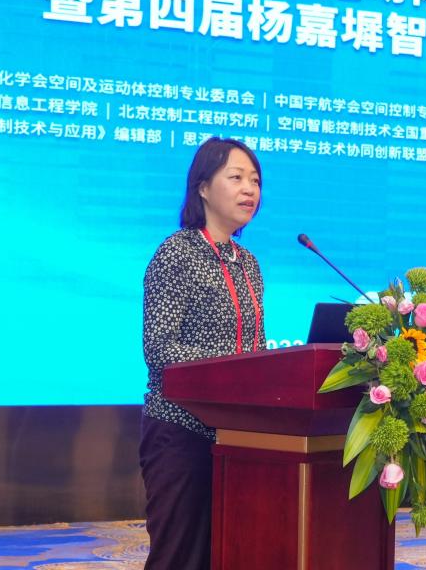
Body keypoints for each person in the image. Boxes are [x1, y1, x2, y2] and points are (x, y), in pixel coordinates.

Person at [139, 137, 266, 570]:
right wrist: (233, 367)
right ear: (203, 188)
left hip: (237, 437)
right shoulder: (176, 253)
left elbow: (256, 348)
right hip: (181, 432)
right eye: (236, 177)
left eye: (255, 180)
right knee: (179, 556)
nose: (249, 189)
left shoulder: (248, 264)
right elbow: (160, 348)